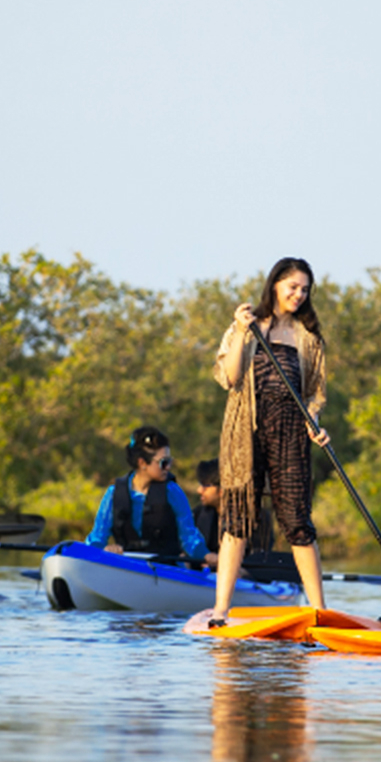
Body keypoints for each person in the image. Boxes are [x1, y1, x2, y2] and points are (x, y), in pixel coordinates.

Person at [210, 258, 332, 624]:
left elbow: (314, 395)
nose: (298, 294)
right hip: (244, 434)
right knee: (237, 521)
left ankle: (319, 612)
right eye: (293, 286)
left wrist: (315, 422)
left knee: (298, 522)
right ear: (275, 284)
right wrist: (239, 329)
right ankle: (220, 611)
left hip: (291, 436)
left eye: (305, 289)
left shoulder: (308, 338)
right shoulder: (246, 326)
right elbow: (229, 378)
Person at [86, 426, 217, 567]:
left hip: (167, 570)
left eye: (169, 462)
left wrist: (205, 554)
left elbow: (189, 536)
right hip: (127, 568)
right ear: (142, 463)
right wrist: (105, 549)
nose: (168, 467)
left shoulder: (173, 491)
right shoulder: (113, 494)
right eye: (163, 463)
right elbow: (97, 537)